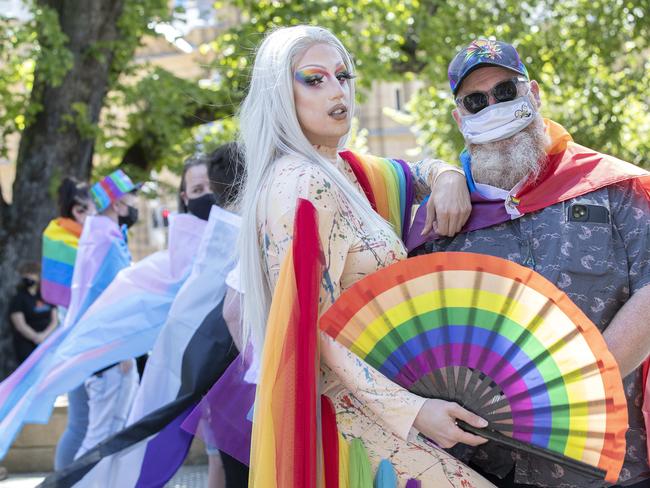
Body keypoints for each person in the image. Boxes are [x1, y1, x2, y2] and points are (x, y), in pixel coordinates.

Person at [237, 26, 493, 486]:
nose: (338, 91)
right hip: (352, 424)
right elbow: (316, 327)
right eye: (314, 79)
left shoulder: (340, 170)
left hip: (387, 408)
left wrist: (449, 174)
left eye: (343, 75)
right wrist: (415, 411)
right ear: (278, 93)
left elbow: (411, 172)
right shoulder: (302, 183)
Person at [408, 39, 650, 488]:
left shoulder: (609, 187)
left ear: (533, 94)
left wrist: (579, 387)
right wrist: (439, 171)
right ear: (461, 119)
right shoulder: (440, 226)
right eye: (476, 101)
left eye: (506, 91)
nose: (494, 107)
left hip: (612, 464)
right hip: (490, 469)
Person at [72, 169, 141, 459]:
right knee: (102, 438)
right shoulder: (108, 243)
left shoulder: (98, 238)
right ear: (116, 204)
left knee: (106, 438)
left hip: (103, 354)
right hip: (112, 356)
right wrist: (125, 349)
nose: (135, 202)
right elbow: (116, 300)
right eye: (130, 196)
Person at [44, 177, 96, 470]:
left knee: (80, 423)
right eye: (92, 209)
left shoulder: (59, 236)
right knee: (80, 424)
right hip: (81, 344)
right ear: (78, 210)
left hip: (75, 343)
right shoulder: (75, 242)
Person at [9, 261, 57, 364]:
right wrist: (37, 338)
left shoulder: (46, 295)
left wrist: (44, 336)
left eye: (31, 273)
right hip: (27, 344)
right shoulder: (19, 298)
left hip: (48, 340)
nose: (28, 277)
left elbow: (55, 320)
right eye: (25, 274)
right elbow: (20, 325)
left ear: (39, 276)